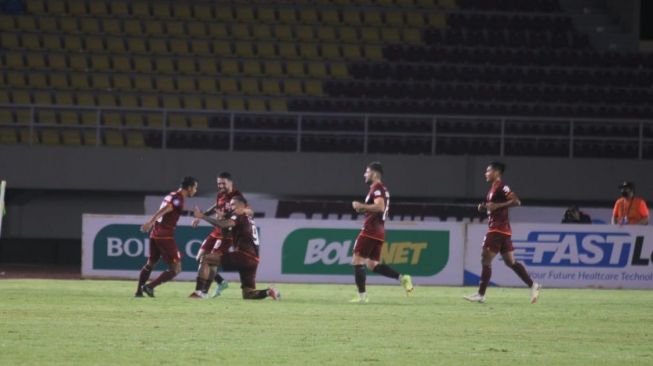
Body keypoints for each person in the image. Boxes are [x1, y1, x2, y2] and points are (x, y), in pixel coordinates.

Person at [464, 162, 541, 304]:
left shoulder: (501, 186)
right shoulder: (492, 189)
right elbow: (492, 208)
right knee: (510, 262)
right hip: (503, 231)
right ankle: (533, 285)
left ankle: (481, 294)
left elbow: (516, 201)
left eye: (488, 171)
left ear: (497, 172)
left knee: (485, 259)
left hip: (497, 230)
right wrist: (484, 208)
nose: (485, 174)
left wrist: (497, 205)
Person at [191, 196, 280, 300]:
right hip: (253, 260)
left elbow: (225, 224)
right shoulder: (248, 216)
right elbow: (226, 229)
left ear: (241, 205)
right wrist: (223, 218)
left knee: (205, 258)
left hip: (243, 255)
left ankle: (199, 293)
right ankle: (269, 292)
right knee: (248, 294)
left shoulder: (239, 212)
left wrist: (203, 216)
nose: (230, 206)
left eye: (233, 204)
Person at [350, 161, 413, 304]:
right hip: (379, 231)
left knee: (357, 260)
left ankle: (362, 297)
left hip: (370, 230)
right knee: (372, 264)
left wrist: (361, 206)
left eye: (367, 171)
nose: (364, 174)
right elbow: (378, 208)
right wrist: (363, 208)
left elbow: (379, 207)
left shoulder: (377, 188)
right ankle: (402, 278)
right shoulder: (382, 189)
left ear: (374, 173)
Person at [135, 176, 199, 297]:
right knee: (176, 268)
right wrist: (150, 221)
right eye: (195, 188)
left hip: (156, 233)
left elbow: (172, 210)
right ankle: (149, 287)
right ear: (189, 188)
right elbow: (167, 208)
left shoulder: (172, 195)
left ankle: (139, 292)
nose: (196, 190)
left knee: (151, 263)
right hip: (165, 235)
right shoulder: (178, 198)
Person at [191, 172, 244, 298]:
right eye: (218, 183)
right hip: (216, 231)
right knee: (199, 257)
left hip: (228, 234)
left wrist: (225, 216)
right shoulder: (220, 194)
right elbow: (217, 206)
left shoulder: (238, 197)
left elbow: (237, 218)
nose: (220, 185)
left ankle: (203, 292)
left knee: (210, 261)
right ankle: (220, 282)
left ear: (230, 183)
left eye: (223, 183)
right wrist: (202, 216)